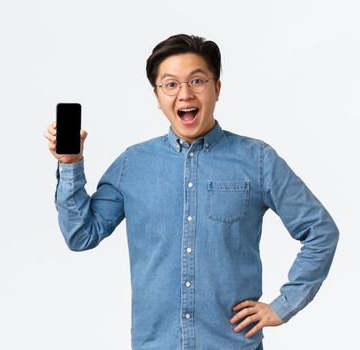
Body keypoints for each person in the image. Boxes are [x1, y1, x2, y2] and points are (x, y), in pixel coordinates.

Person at [44, 34, 339, 350]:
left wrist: (284, 305)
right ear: (158, 97)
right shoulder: (133, 164)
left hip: (232, 344)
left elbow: (319, 231)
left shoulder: (258, 160)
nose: (184, 94)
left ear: (217, 89)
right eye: (170, 85)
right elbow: (81, 235)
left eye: (197, 81)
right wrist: (71, 165)